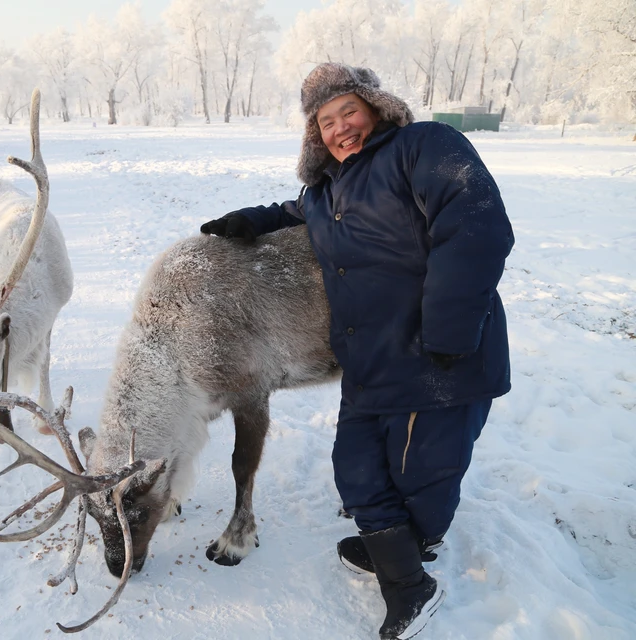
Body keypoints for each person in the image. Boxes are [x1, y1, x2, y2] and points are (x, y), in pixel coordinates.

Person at [200, 63, 514, 640]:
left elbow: (477, 228)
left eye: (349, 111)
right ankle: (398, 554)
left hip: (440, 355)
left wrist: (445, 333)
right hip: (370, 361)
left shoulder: (424, 147)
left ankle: (411, 579)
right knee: (357, 469)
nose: (341, 127)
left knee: (422, 472)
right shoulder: (324, 192)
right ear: (314, 136)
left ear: (376, 107)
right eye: (326, 121)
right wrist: (247, 220)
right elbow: (295, 214)